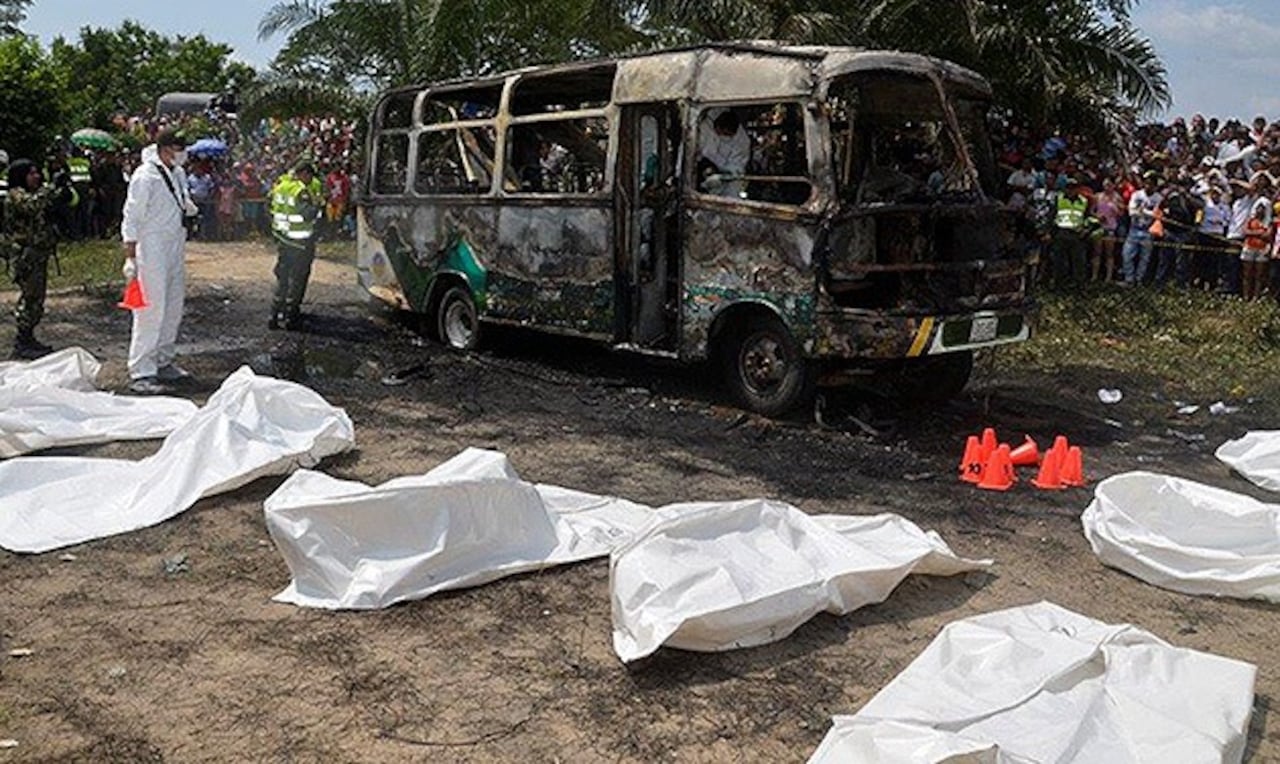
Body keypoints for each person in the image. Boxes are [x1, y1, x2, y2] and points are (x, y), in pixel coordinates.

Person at [121, 130, 197, 394]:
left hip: (174, 243)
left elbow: (178, 201)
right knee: (151, 308)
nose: (182, 153)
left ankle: (163, 360)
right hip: (151, 246)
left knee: (173, 305)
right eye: (178, 148)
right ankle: (141, 369)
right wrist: (130, 256)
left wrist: (187, 206)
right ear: (164, 148)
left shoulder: (176, 173)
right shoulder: (145, 176)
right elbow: (131, 216)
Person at [5, 159, 73, 358]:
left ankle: (28, 337)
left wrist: (62, 194)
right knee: (30, 298)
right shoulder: (15, 195)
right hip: (26, 256)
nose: (36, 177)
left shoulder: (34, 193)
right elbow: (32, 206)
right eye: (31, 173)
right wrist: (52, 187)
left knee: (37, 298)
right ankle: (22, 340)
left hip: (38, 253)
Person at [268, 160, 322, 330]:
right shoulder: (300, 190)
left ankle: (274, 315)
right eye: (309, 176)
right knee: (298, 279)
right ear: (303, 173)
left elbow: (270, 209)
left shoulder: (281, 186)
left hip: (283, 240)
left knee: (282, 277)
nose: (310, 180)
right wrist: (318, 207)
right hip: (300, 243)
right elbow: (307, 214)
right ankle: (291, 316)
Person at [697, 109, 749, 198]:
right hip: (704, 167)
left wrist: (724, 173)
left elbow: (737, 168)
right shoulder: (705, 127)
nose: (720, 135)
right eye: (718, 132)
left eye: (724, 134)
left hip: (729, 176)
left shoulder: (742, 142)